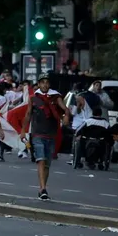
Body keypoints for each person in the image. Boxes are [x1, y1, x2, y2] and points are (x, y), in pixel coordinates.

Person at [20, 73, 68, 201]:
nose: (45, 85)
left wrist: (67, 115)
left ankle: (43, 186)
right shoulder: (33, 97)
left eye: (47, 82)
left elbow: (64, 109)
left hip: (51, 134)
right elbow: (28, 114)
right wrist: (23, 131)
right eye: (42, 82)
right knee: (40, 160)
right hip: (37, 133)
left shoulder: (55, 96)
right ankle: (42, 189)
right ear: (39, 84)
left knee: (47, 164)